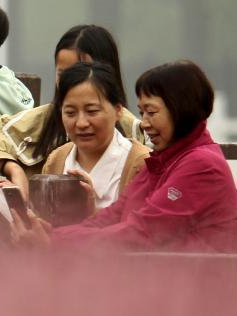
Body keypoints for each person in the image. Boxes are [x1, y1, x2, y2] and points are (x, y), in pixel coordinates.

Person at [12, 61, 237, 252]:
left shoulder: (201, 165)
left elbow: (143, 232)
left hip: (201, 290)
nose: (145, 123)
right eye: (141, 113)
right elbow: (114, 215)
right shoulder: (161, 161)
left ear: (181, 109)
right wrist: (50, 233)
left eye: (152, 112)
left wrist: (56, 242)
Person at [0, 24, 149, 200]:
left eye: (92, 111)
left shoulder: (138, 150)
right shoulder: (56, 156)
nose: (81, 123)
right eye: (63, 74)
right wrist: (13, 169)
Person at [41, 62, 150, 212]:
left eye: (92, 111)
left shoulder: (141, 164)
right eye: (70, 113)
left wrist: (92, 212)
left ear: (118, 110)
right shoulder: (56, 160)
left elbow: (139, 231)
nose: (81, 123)